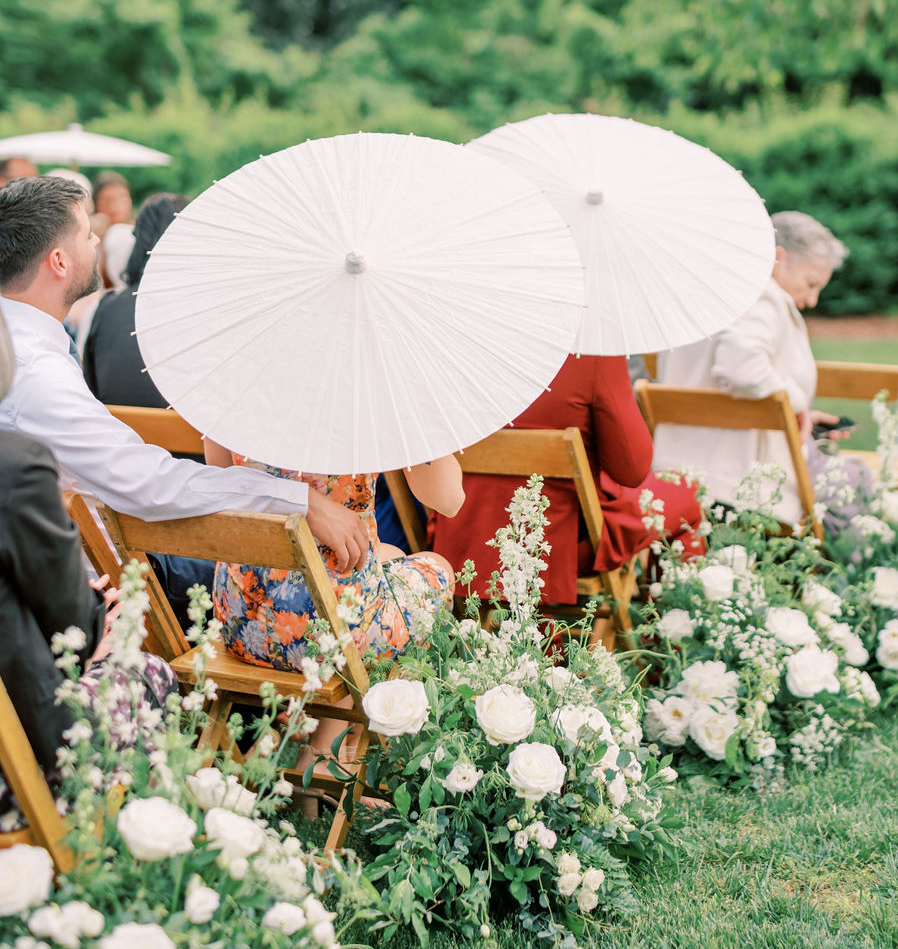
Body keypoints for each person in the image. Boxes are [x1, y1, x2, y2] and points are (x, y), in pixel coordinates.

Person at [0, 176, 370, 574]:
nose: (97, 243)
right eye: (88, 234)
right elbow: (151, 485)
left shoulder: (30, 346)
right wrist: (301, 500)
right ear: (59, 261)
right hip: (109, 572)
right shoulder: (37, 374)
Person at [0, 311, 175, 824]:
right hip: (26, 755)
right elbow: (77, 627)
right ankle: (132, 859)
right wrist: (103, 622)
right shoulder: (16, 465)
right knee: (150, 672)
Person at [430, 353, 705, 606]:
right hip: (558, 548)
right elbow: (632, 470)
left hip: (461, 540)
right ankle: (672, 640)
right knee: (688, 494)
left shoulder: (452, 347)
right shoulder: (590, 352)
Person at [651, 211, 868, 532]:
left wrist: (801, 413)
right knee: (857, 479)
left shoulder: (703, 292)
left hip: (678, 466)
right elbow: (742, 369)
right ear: (778, 257)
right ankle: (838, 576)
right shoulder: (759, 295)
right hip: (734, 478)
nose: (812, 300)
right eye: (810, 284)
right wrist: (794, 402)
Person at [206, 442, 463, 667]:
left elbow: (219, 475)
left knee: (390, 554)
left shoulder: (234, 391)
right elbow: (449, 499)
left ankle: (321, 722)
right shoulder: (365, 397)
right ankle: (342, 719)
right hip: (338, 634)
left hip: (238, 617)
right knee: (437, 566)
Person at [84, 194, 189, 408]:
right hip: (186, 439)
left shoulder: (107, 308)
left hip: (116, 435)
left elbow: (91, 388)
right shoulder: (205, 310)